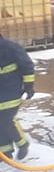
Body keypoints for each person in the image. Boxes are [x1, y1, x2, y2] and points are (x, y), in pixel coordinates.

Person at [1, 31, 36, 163]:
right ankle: (5, 152)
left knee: (5, 119)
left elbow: (27, 66)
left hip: (11, 92)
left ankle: (22, 143)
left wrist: (28, 86)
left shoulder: (11, 47)